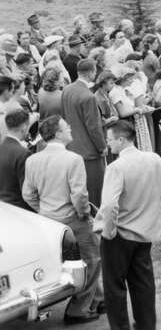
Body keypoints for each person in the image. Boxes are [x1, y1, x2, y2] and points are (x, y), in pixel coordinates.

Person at [95, 119, 161, 330]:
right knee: (143, 282)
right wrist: (153, 206)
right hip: (145, 231)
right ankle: (146, 325)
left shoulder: (116, 167)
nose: (108, 144)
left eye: (110, 139)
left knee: (114, 286)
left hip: (119, 233)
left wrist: (109, 232)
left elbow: (110, 205)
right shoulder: (154, 159)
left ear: (121, 140)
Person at [23, 115, 104, 323]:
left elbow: (28, 194)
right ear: (58, 133)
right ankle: (78, 309)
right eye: (66, 126)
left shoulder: (32, 160)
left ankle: (100, 298)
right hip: (73, 218)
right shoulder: (73, 159)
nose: (70, 128)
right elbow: (79, 195)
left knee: (66, 262)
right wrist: (85, 215)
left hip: (48, 220)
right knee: (92, 260)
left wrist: (43, 210)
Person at [61, 58, 107, 207]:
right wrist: (102, 147)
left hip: (71, 146)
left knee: (76, 188)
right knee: (94, 191)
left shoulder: (67, 89)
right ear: (91, 73)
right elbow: (94, 127)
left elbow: (64, 116)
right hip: (89, 151)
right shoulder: (88, 96)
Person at [0, 109, 32, 209]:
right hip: (19, 208)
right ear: (23, 127)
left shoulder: (2, 147)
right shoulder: (23, 153)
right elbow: (27, 190)